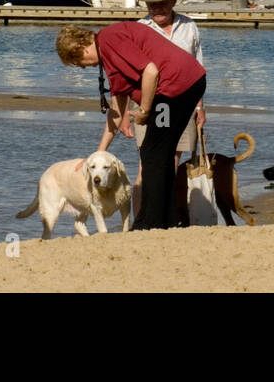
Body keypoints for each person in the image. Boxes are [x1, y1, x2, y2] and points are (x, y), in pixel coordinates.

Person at [57, 21, 205, 230]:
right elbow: (116, 111)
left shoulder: (110, 40)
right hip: (184, 85)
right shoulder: (109, 56)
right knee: (160, 152)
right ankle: (170, 219)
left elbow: (151, 71)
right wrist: (98, 154)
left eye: (78, 61)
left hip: (177, 87)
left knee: (152, 153)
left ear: (81, 48)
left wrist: (144, 111)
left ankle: (150, 221)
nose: (82, 67)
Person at [119, 0, 206, 215]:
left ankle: (162, 217)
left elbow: (197, 69)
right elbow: (128, 75)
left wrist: (199, 108)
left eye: (162, 3)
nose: (157, 8)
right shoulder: (137, 29)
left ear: (173, 1)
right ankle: (139, 218)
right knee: (146, 165)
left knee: (172, 164)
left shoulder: (190, 27)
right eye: (151, 4)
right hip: (148, 105)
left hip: (183, 104)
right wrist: (125, 115)